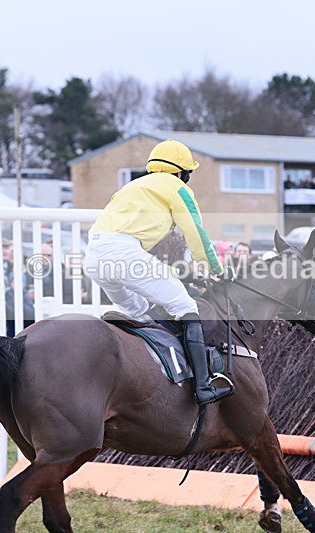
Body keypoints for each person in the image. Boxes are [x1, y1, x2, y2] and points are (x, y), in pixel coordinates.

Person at [84, 138, 232, 405]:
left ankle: (153, 368)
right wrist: (215, 268)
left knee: (140, 311)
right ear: (181, 171)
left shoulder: (132, 186)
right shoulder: (177, 188)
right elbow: (196, 233)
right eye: (189, 172)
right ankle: (203, 387)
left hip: (94, 256)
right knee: (185, 307)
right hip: (124, 253)